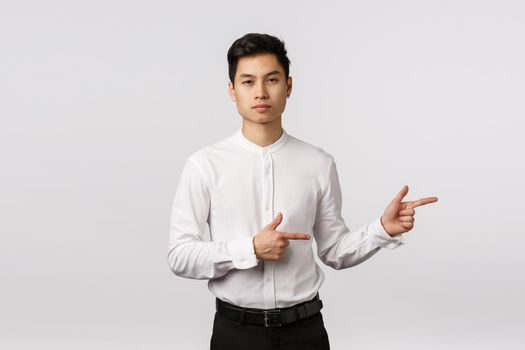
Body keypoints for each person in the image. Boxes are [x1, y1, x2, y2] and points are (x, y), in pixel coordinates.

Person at [167, 33, 438, 350]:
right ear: (232, 90)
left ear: (288, 86)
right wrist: (249, 249)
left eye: (271, 79)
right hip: (236, 334)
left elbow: (334, 251)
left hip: (305, 333)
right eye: (248, 82)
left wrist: (382, 230)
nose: (261, 92)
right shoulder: (204, 165)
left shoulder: (318, 163)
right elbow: (179, 256)